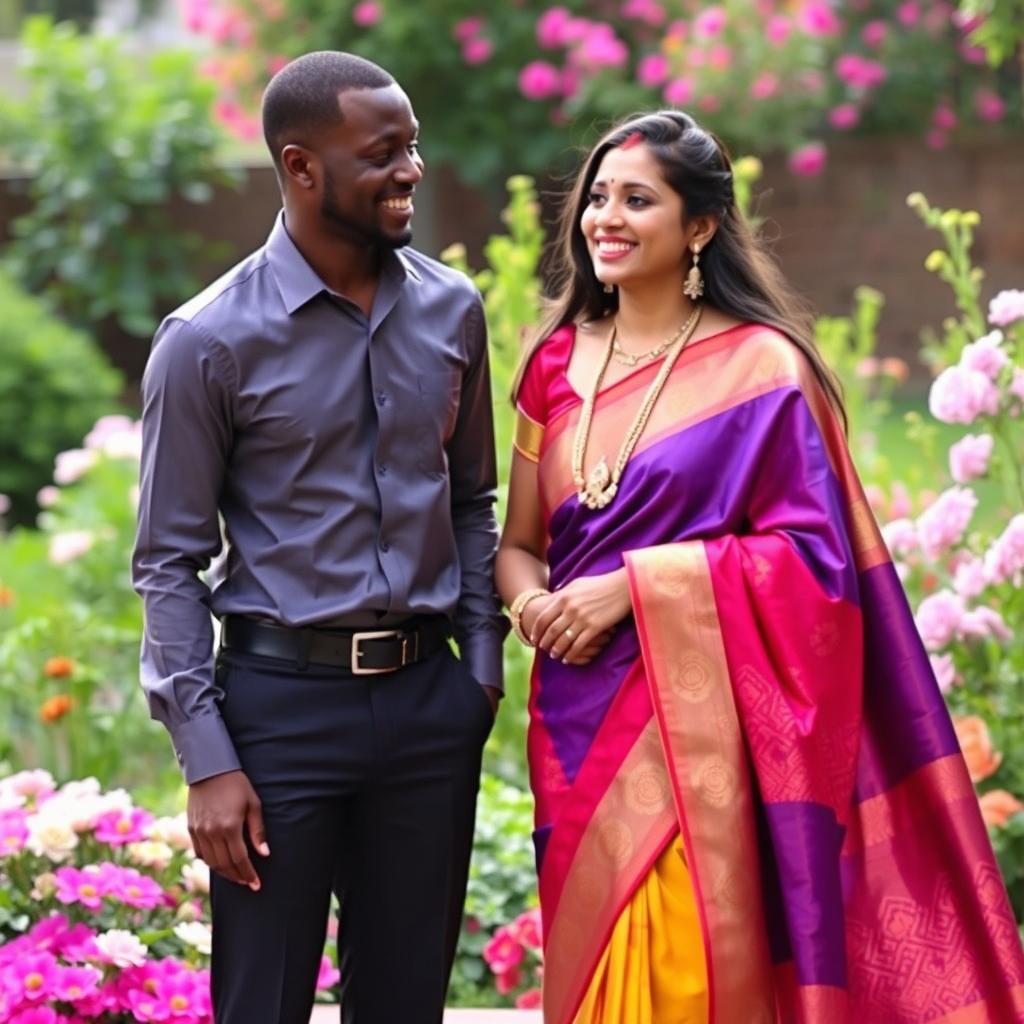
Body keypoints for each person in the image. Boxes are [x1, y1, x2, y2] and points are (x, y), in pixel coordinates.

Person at [496, 110, 1024, 1023]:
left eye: (637, 200)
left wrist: (636, 587)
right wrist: (531, 606)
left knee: (686, 970)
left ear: (699, 226)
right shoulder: (553, 364)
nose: (604, 219)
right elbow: (518, 545)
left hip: (697, 726)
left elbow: (816, 565)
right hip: (574, 713)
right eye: (597, 198)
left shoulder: (763, 369)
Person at [132, 51, 505, 1024]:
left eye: (412, 147)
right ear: (301, 167)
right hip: (277, 718)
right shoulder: (207, 341)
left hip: (430, 706)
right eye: (382, 152)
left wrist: (481, 670)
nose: (411, 169)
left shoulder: (453, 311)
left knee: (405, 1003)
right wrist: (207, 757)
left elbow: (473, 501)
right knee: (262, 1003)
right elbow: (166, 562)